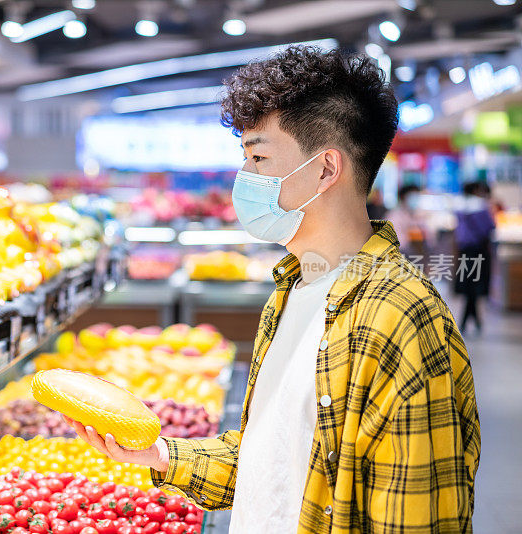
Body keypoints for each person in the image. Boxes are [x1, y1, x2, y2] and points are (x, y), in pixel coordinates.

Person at [63, 46, 479, 533]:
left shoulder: (401, 319)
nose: (245, 178)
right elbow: (271, 457)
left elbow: (417, 521)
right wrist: (158, 454)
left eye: (258, 157)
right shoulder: (292, 288)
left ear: (326, 169)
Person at [454, 181, 495, 334]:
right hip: (478, 250)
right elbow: (490, 227)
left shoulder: (459, 206)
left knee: (468, 285)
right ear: (477, 190)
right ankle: (470, 322)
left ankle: (471, 321)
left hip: (464, 250)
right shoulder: (481, 206)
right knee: (474, 286)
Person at [386, 184, 427, 259]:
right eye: (412, 197)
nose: (415, 200)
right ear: (403, 198)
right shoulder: (394, 216)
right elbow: (399, 244)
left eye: (417, 196)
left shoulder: (416, 215)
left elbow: (428, 239)